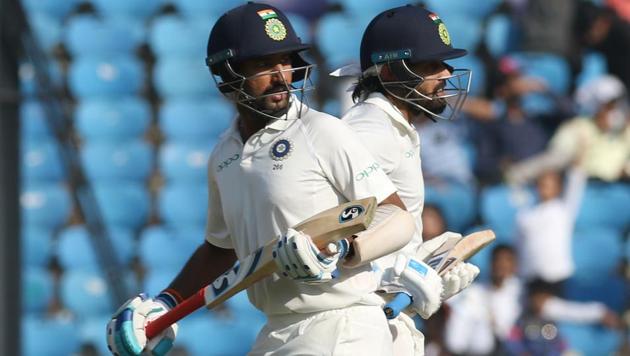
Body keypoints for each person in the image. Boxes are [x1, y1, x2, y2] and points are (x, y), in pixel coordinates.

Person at [106, 3, 418, 355]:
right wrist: (165, 302)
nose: (281, 75)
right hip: (278, 327)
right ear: (227, 73)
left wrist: (341, 249)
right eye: (263, 64)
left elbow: (398, 217)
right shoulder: (224, 155)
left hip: (343, 322)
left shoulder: (321, 131)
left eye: (286, 61)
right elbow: (221, 249)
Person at [336, 5, 481, 355]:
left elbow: (375, 225)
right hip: (358, 323)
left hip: (382, 319)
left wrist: (423, 265)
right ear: (388, 72)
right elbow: (328, 229)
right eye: (431, 65)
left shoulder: (393, 129)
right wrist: (389, 278)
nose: (446, 73)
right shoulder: (368, 129)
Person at [506, 75, 630, 185]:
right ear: (595, 106)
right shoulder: (576, 129)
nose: (614, 112)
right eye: (608, 107)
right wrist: (518, 174)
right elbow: (554, 160)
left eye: (617, 105)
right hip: (586, 194)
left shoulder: (626, 131)